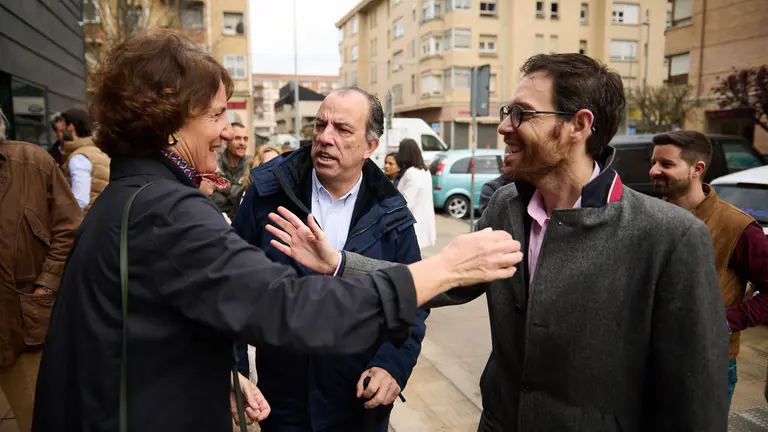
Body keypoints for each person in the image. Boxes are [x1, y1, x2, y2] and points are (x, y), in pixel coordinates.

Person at [31, 31, 523, 432]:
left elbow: (180, 319)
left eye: (343, 129)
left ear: (371, 145)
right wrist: (441, 270)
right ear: (172, 120)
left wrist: (222, 376)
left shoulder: (129, 197)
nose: (228, 132)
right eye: (219, 114)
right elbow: (285, 307)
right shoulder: (170, 211)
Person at [266, 53, 730, 431]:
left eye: (522, 114)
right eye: (509, 111)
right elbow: (446, 280)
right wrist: (339, 263)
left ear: (578, 125)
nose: (504, 126)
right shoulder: (505, 208)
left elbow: (696, 405)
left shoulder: (670, 237)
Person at [233, 87, 429, 432]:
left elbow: (414, 299)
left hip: (357, 402)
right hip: (281, 399)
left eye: (342, 129)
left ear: (370, 146)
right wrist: (232, 370)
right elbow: (229, 287)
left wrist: (393, 365)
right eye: (320, 124)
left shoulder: (392, 213)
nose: (325, 138)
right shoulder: (266, 194)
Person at [650, 130, 768, 408]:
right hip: (652, 360)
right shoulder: (649, 215)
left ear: (697, 169)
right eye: (654, 161)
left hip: (706, 365)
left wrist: (725, 322)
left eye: (666, 164)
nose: (654, 170)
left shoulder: (738, 227)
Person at [0, 108, 81, 432]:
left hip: (22, 320)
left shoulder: (31, 162)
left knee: (38, 418)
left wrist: (45, 286)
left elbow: (70, 228)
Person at [60, 108, 110, 211]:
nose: (60, 132)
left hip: (86, 220)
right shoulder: (97, 151)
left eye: (63, 127)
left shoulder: (79, 157)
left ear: (71, 127)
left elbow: (80, 200)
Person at [396, 139, 436, 249]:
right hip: (423, 224)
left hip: (413, 227)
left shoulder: (411, 173)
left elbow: (407, 202)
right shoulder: (425, 171)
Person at [211, 121, 250, 219]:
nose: (242, 143)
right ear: (226, 141)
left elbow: (246, 196)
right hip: (216, 218)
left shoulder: (252, 165)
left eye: (245, 139)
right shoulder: (213, 162)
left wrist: (224, 187)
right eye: (237, 138)